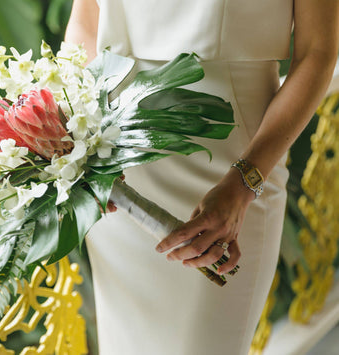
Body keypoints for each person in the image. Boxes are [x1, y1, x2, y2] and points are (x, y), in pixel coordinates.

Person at [65, 0, 339, 354]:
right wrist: (78, 134)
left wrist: (244, 182)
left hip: (229, 165)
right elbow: (85, 25)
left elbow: (317, 51)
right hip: (115, 161)